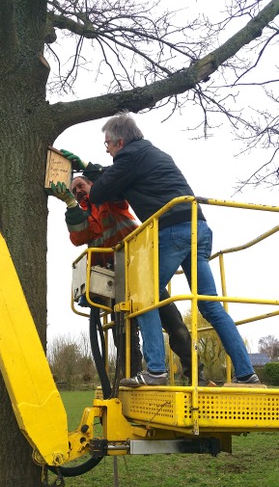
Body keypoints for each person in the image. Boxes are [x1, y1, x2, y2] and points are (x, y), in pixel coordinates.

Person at [61, 112, 259, 387]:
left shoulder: (129, 157)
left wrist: (87, 167)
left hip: (172, 231)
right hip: (197, 227)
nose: (106, 149)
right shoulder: (149, 154)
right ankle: (247, 374)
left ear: (119, 141)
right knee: (211, 306)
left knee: (145, 297)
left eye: (107, 143)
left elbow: (99, 192)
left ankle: (155, 371)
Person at [50, 175, 205, 383]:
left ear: (92, 184)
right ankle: (131, 378)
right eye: (74, 190)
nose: (78, 191)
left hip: (141, 266)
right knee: (122, 332)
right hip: (115, 278)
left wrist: (93, 173)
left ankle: (196, 374)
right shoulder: (81, 214)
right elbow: (79, 238)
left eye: (81, 185)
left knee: (172, 320)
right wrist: (70, 204)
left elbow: (115, 187)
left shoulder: (109, 198)